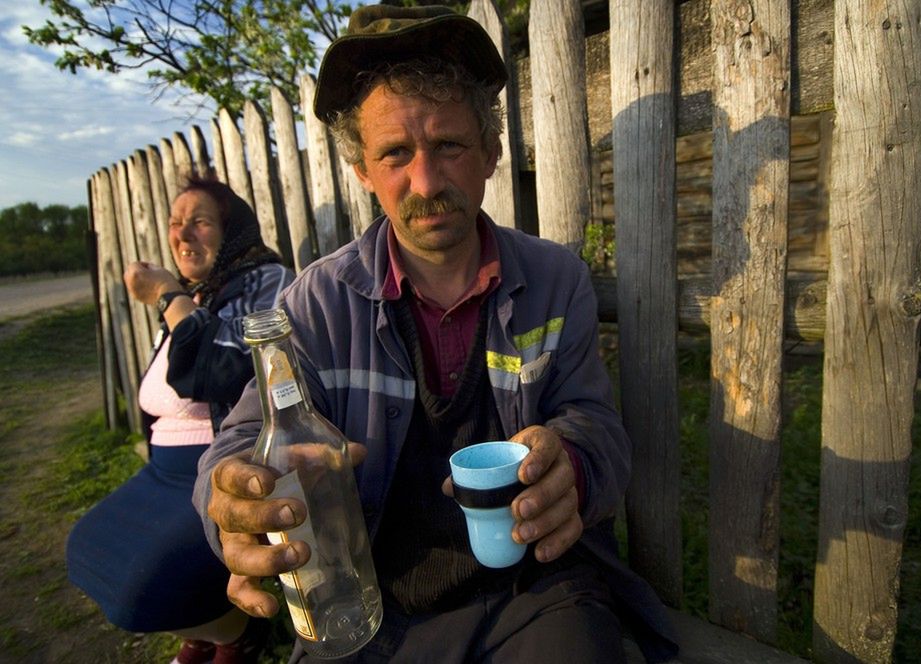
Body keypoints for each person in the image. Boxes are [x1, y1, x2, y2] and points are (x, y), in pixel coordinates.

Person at [194, 5, 678, 662]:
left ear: (490, 152)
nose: (426, 183)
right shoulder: (314, 304)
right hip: (366, 605)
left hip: (538, 592)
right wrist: (233, 496)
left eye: (448, 145)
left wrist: (572, 463)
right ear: (362, 171)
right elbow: (239, 446)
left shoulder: (555, 280)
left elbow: (591, 418)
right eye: (395, 153)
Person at [66, 175, 293, 664]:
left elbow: (218, 374)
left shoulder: (265, 281)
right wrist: (181, 298)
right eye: (175, 223)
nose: (183, 235)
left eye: (200, 222)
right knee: (86, 550)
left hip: (213, 470)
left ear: (231, 232)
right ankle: (207, 633)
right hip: (161, 473)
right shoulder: (203, 294)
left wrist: (171, 297)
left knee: (140, 587)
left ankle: (236, 635)